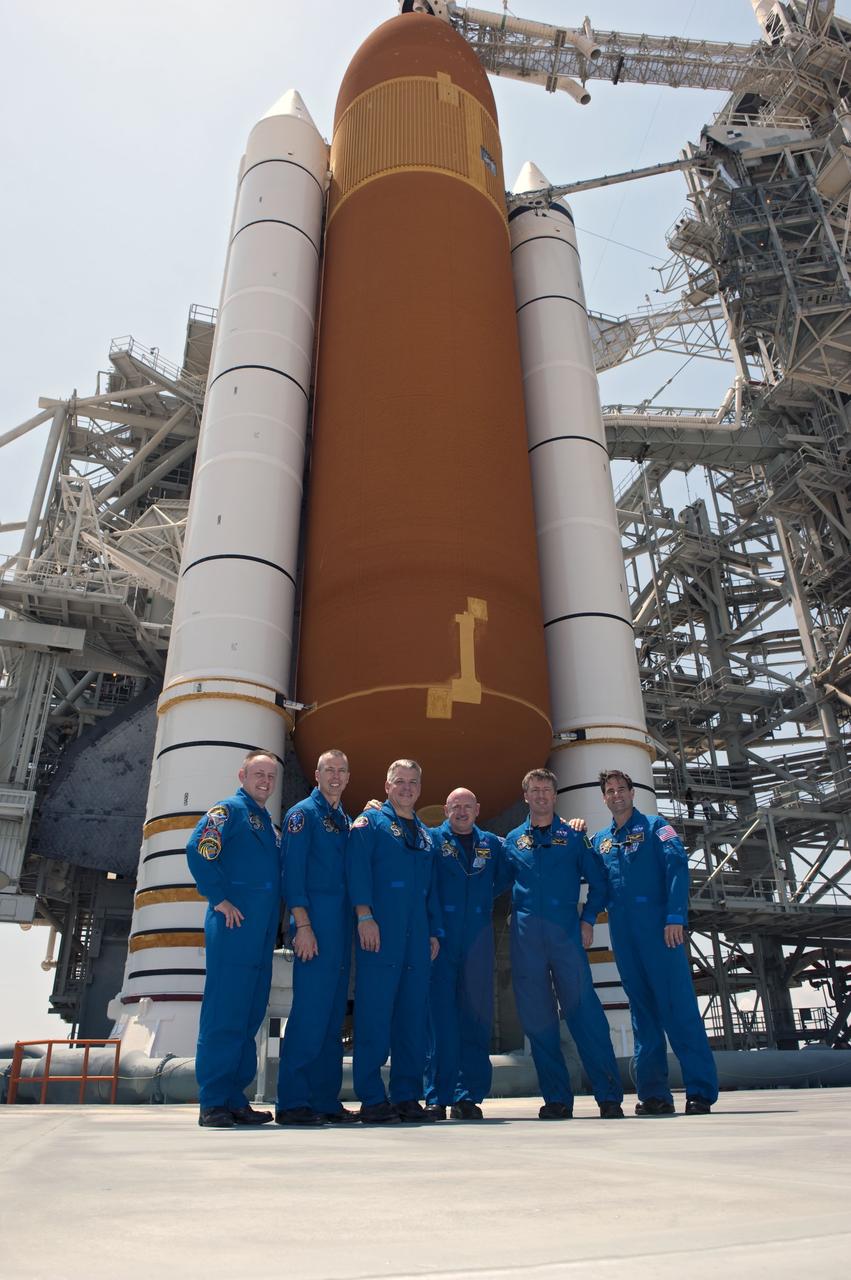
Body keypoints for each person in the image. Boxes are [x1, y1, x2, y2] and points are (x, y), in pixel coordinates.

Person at [593, 769, 719, 1116]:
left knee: (678, 1009)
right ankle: (654, 1095)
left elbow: (677, 868)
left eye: (621, 789)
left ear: (633, 793)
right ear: (604, 798)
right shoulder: (602, 840)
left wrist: (675, 916)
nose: (616, 794)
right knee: (642, 1015)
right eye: (610, 790)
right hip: (624, 934)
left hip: (661, 932)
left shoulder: (656, 827)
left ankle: (700, 1091)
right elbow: (595, 881)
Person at [503, 768, 624, 1120]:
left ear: (555, 796)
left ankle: (609, 1096)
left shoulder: (573, 837)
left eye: (546, 790)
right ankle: (556, 1098)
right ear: (525, 796)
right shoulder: (512, 841)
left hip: (565, 936)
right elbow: (489, 880)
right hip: (527, 942)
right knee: (539, 1022)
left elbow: (600, 883)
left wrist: (587, 921)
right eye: (534, 790)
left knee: (585, 1016)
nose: (540, 795)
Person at [186, 749, 283, 1128]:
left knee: (249, 1015)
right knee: (225, 1013)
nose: (265, 781)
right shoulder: (228, 811)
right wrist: (219, 898)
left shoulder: (264, 822)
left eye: (271, 776)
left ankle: (235, 1098)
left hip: (259, 932)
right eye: (259, 774)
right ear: (242, 775)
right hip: (233, 926)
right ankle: (212, 1101)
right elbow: (200, 849)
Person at [346, 759, 442, 1123]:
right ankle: (372, 1098)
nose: (406, 788)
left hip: (417, 935)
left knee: (412, 1017)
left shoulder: (424, 834)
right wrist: (364, 916)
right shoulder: (369, 824)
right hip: (380, 930)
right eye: (399, 782)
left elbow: (429, 890)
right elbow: (357, 872)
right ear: (386, 786)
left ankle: (406, 1095)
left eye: (413, 782)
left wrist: (434, 931)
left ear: (420, 788)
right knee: (374, 1014)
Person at [275, 749, 358, 1127]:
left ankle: (324, 1100)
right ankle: (293, 1102)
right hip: (315, 927)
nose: (336, 776)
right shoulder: (302, 815)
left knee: (331, 1018)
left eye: (341, 771)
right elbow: (293, 876)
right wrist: (302, 926)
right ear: (317, 773)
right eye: (329, 770)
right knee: (309, 1014)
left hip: (340, 929)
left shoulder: (342, 819)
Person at [424, 787, 511, 1121]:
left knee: (475, 1020)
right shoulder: (431, 841)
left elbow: (506, 873)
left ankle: (468, 1096)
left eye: (467, 806)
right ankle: (436, 1096)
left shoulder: (491, 844)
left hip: (477, 940)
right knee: (439, 1022)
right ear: (446, 809)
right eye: (455, 806)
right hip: (441, 940)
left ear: (478, 809)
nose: (461, 812)